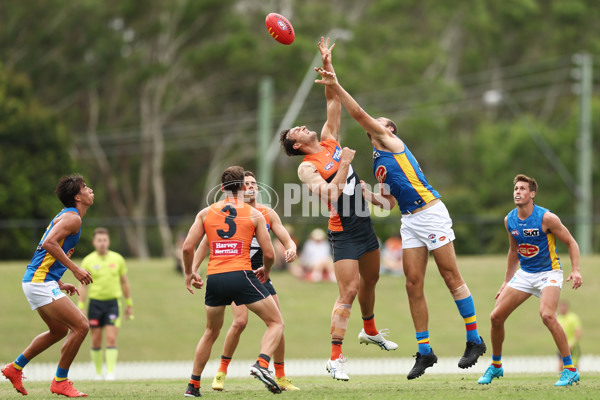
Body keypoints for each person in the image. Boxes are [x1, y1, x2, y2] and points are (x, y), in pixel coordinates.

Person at [314, 48, 486, 380]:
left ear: (391, 132)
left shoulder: (391, 144)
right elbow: (389, 204)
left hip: (431, 212)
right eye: (380, 126)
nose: (380, 127)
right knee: (412, 283)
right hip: (410, 220)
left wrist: (334, 80)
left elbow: (357, 112)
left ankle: (474, 340)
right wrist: (367, 193)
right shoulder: (378, 163)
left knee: (451, 277)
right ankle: (424, 351)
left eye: (386, 126)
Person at [280, 37, 397, 382]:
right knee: (347, 290)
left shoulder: (329, 138)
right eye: (297, 131)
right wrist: (345, 164)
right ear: (298, 145)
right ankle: (335, 357)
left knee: (371, 281)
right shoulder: (306, 167)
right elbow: (330, 195)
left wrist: (328, 65)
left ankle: (371, 330)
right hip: (343, 230)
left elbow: (333, 100)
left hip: (364, 224)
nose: (303, 126)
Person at [191, 170, 299, 391]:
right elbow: (204, 244)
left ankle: (279, 376)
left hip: (259, 273)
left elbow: (284, 238)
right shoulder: (227, 214)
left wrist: (291, 248)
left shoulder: (266, 213)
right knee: (240, 322)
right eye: (246, 184)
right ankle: (221, 372)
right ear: (240, 188)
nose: (250, 187)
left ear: (257, 188)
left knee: (278, 322)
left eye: (253, 184)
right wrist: (194, 268)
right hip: (239, 273)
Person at [477, 174, 582, 387]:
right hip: (525, 274)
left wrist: (577, 270)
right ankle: (496, 366)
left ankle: (570, 370)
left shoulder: (546, 218)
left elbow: (571, 242)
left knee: (547, 315)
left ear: (532, 194)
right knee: (496, 316)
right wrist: (507, 281)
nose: (517, 192)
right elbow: (513, 251)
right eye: (516, 188)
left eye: (523, 189)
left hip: (549, 273)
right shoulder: (510, 220)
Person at [1, 174, 94, 397]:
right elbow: (48, 243)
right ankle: (60, 381)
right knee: (81, 326)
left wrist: (59, 282)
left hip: (38, 280)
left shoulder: (67, 216)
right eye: (85, 187)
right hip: (39, 283)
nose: (90, 190)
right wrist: (75, 269)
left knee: (59, 330)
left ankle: (15, 368)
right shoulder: (73, 219)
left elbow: (44, 254)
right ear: (77, 197)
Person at [77, 227, 133, 381]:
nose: (102, 243)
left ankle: (110, 373)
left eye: (105, 240)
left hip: (113, 304)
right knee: (95, 339)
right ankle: (97, 373)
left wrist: (129, 303)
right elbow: (83, 285)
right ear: (94, 242)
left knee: (111, 338)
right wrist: (80, 306)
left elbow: (124, 282)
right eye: (99, 240)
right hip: (94, 304)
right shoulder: (88, 260)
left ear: (108, 241)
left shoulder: (117, 259)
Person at [556, 300, 583, 371]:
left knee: (574, 364)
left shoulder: (573, 317)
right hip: (562, 346)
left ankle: (577, 378)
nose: (562, 309)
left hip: (573, 347)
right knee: (560, 364)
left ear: (567, 308)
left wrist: (571, 343)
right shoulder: (558, 319)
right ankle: (561, 378)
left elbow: (578, 332)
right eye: (561, 307)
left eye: (564, 307)